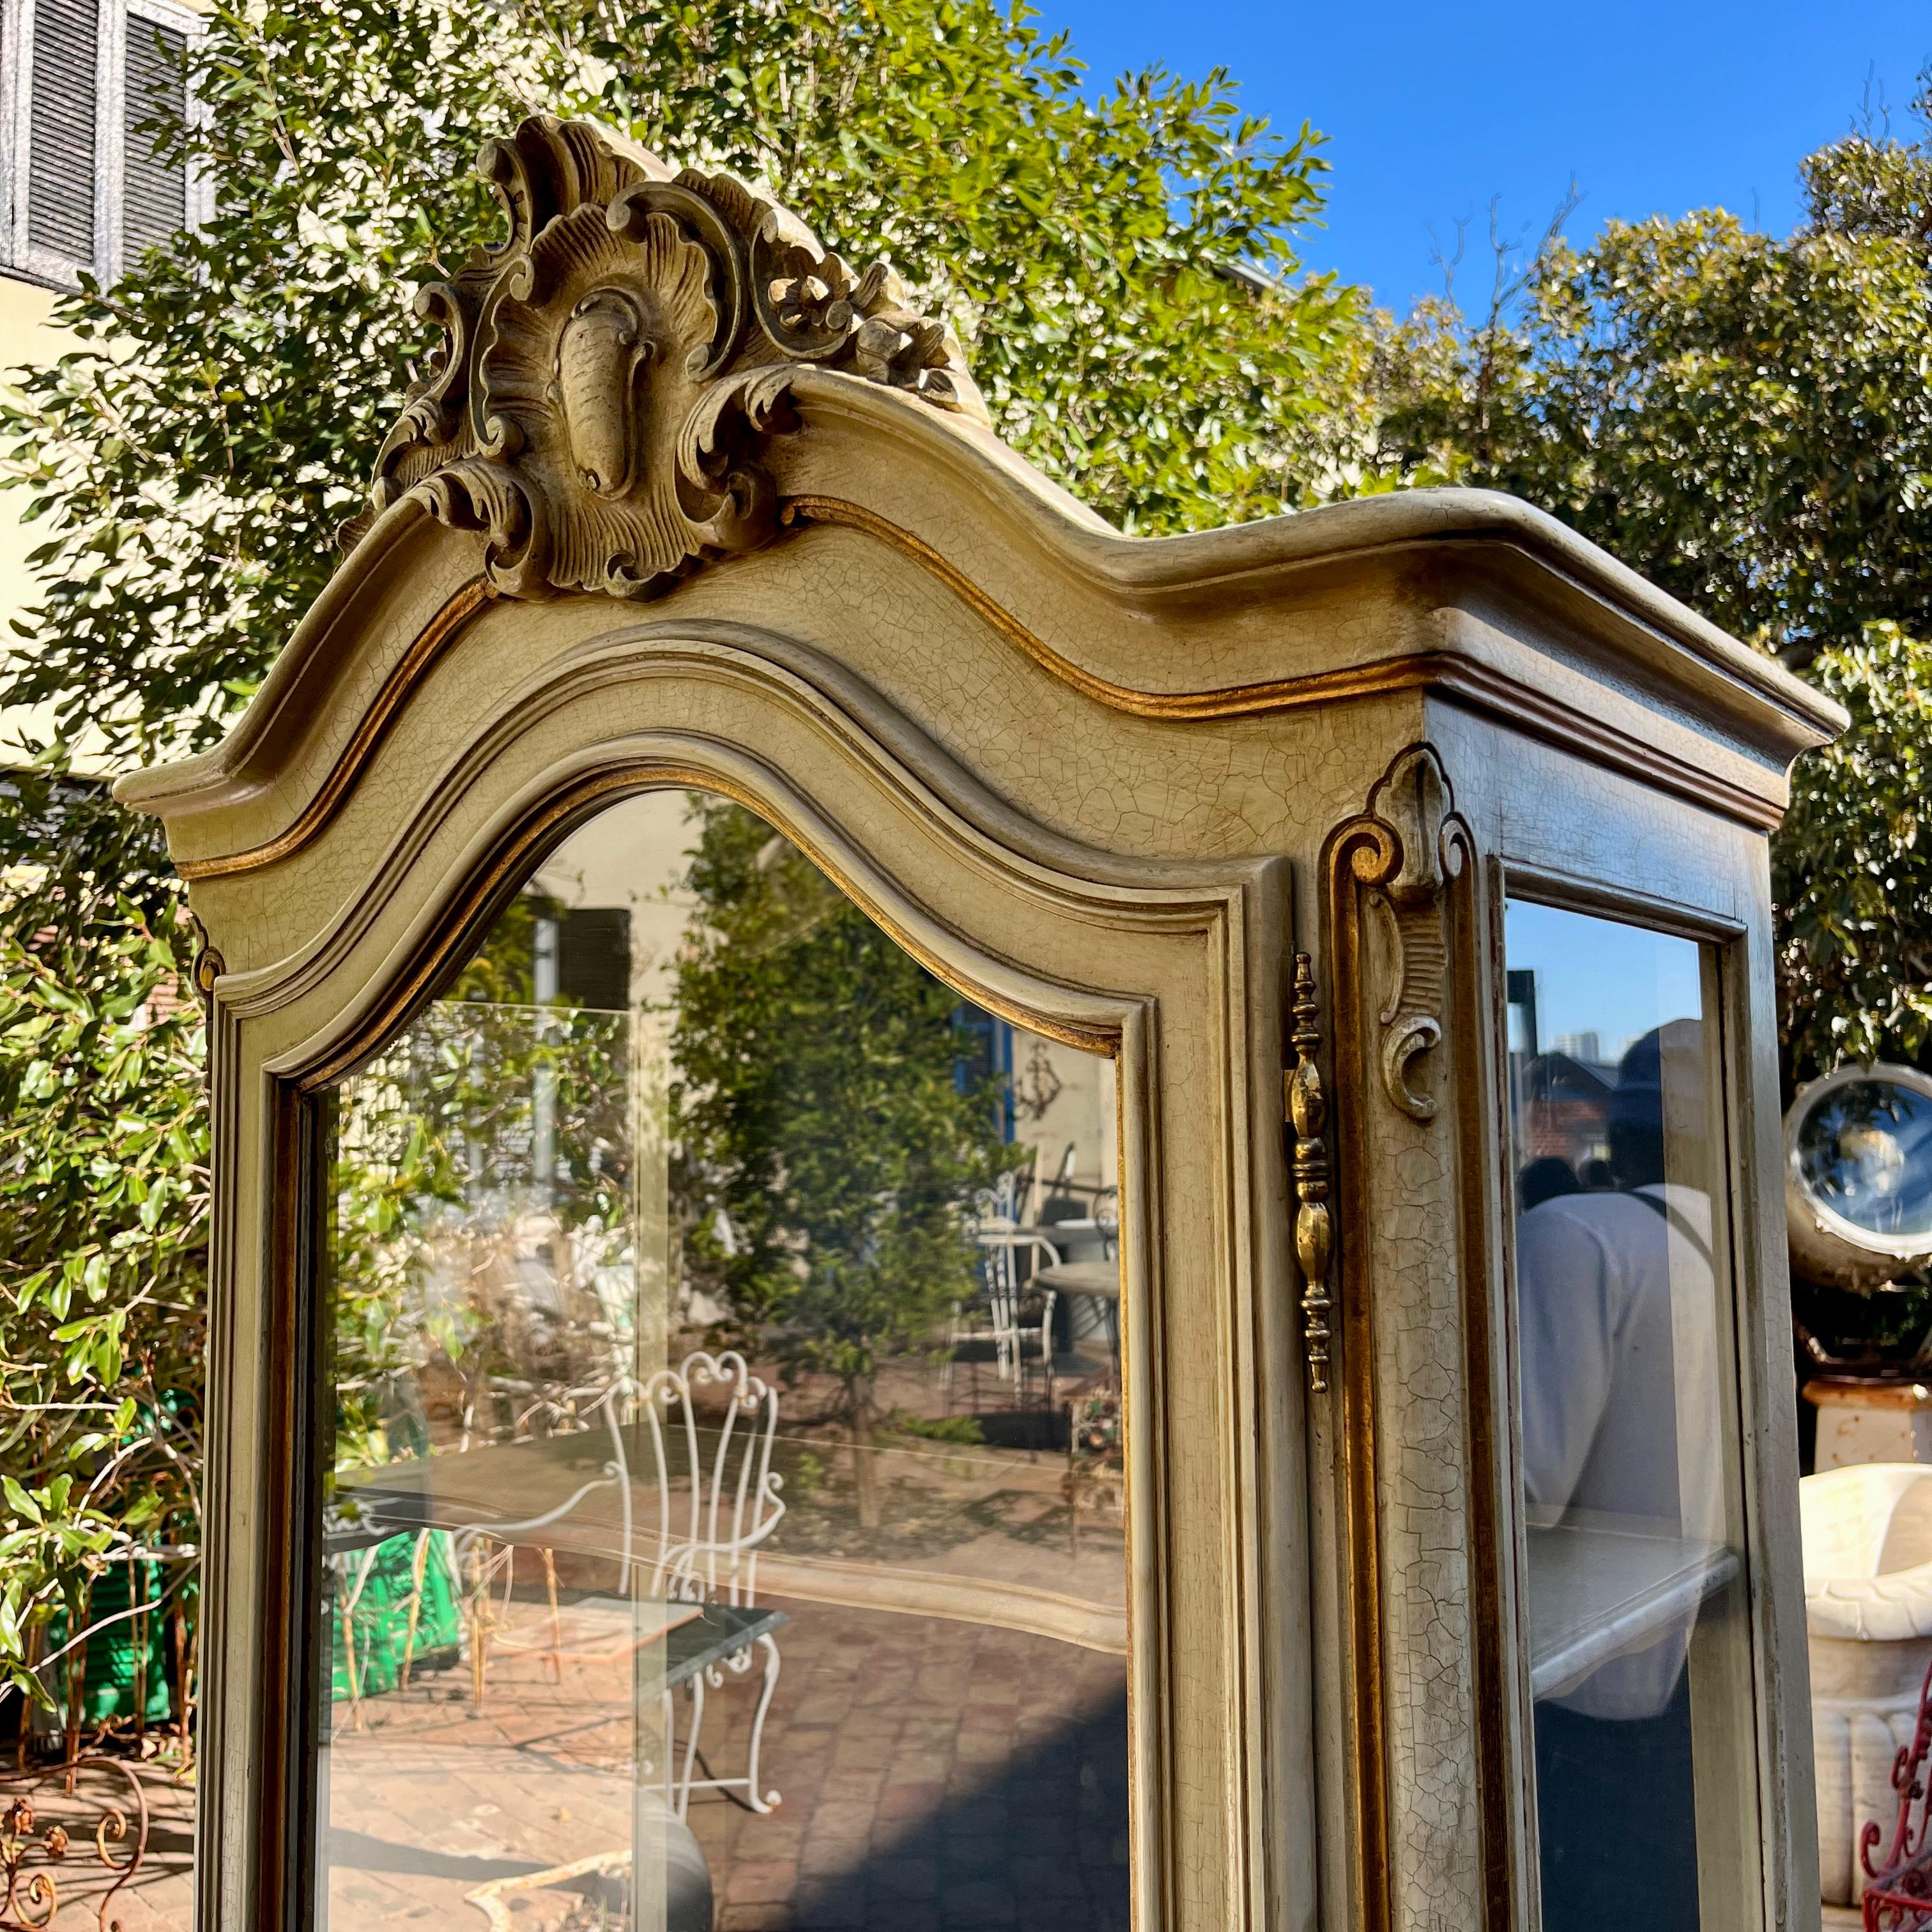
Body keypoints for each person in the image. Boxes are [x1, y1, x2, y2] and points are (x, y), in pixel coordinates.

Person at [1514, 1019, 1722, 1932]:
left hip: (1581, 1707)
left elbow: (1525, 1490)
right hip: (1699, 1694)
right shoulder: (1739, 1246)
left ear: (1620, 1132)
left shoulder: (1576, 1238)